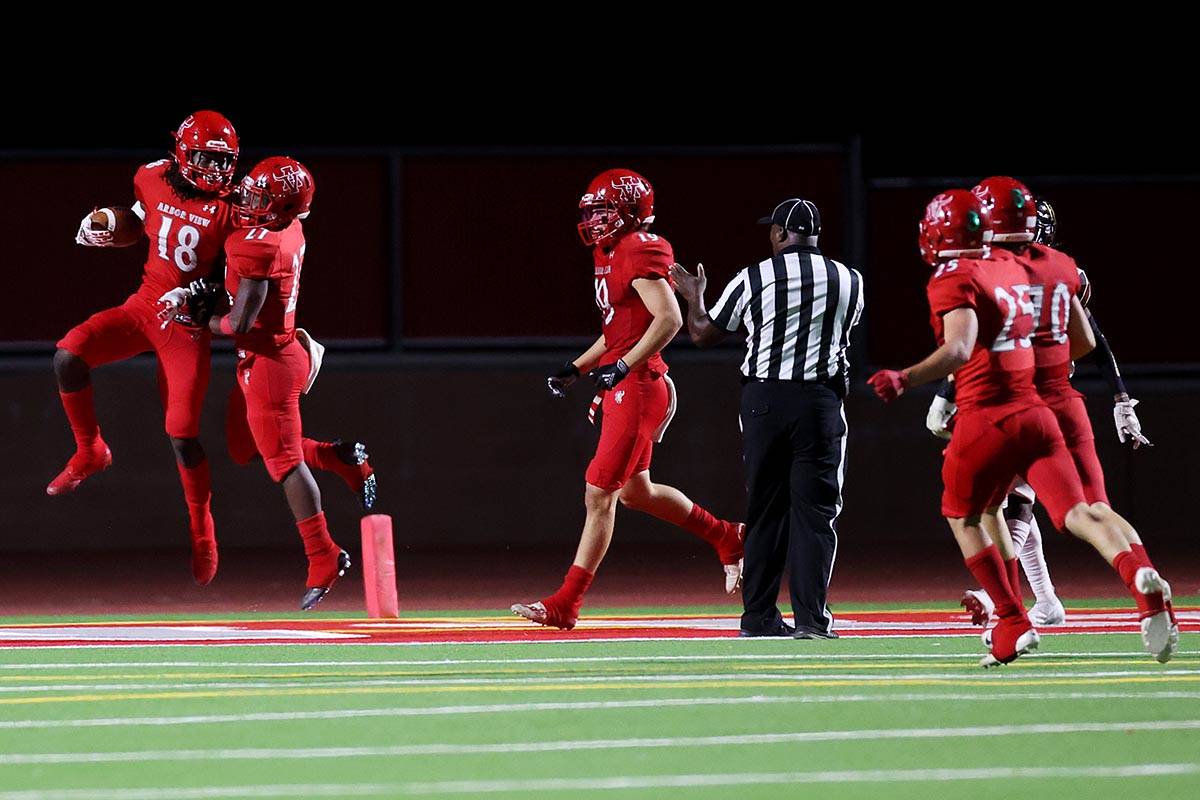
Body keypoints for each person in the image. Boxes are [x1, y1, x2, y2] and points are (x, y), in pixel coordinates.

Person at [511, 169, 745, 631]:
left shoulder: (639, 247)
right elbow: (618, 330)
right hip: (627, 382)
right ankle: (728, 536)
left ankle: (566, 603)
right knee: (637, 492)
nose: (595, 220)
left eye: (604, 210)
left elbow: (670, 318)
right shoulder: (610, 251)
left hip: (637, 387)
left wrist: (622, 367)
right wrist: (577, 367)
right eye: (592, 211)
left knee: (599, 493)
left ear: (630, 211)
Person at [51, 111, 238, 585]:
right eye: (204, 158)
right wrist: (103, 223)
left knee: (181, 432)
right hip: (145, 305)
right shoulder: (151, 177)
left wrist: (200, 297)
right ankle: (91, 449)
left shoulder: (234, 207)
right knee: (69, 355)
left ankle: (202, 529)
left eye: (222, 162)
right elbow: (137, 222)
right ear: (180, 152)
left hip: (187, 324)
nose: (214, 171)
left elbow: (233, 281)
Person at [670, 198, 863, 638]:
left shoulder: (753, 277)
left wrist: (695, 297)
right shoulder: (850, 280)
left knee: (765, 509)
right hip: (819, 402)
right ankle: (812, 619)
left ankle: (758, 617)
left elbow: (702, 334)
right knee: (815, 513)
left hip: (764, 402)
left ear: (779, 233)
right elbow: (841, 339)